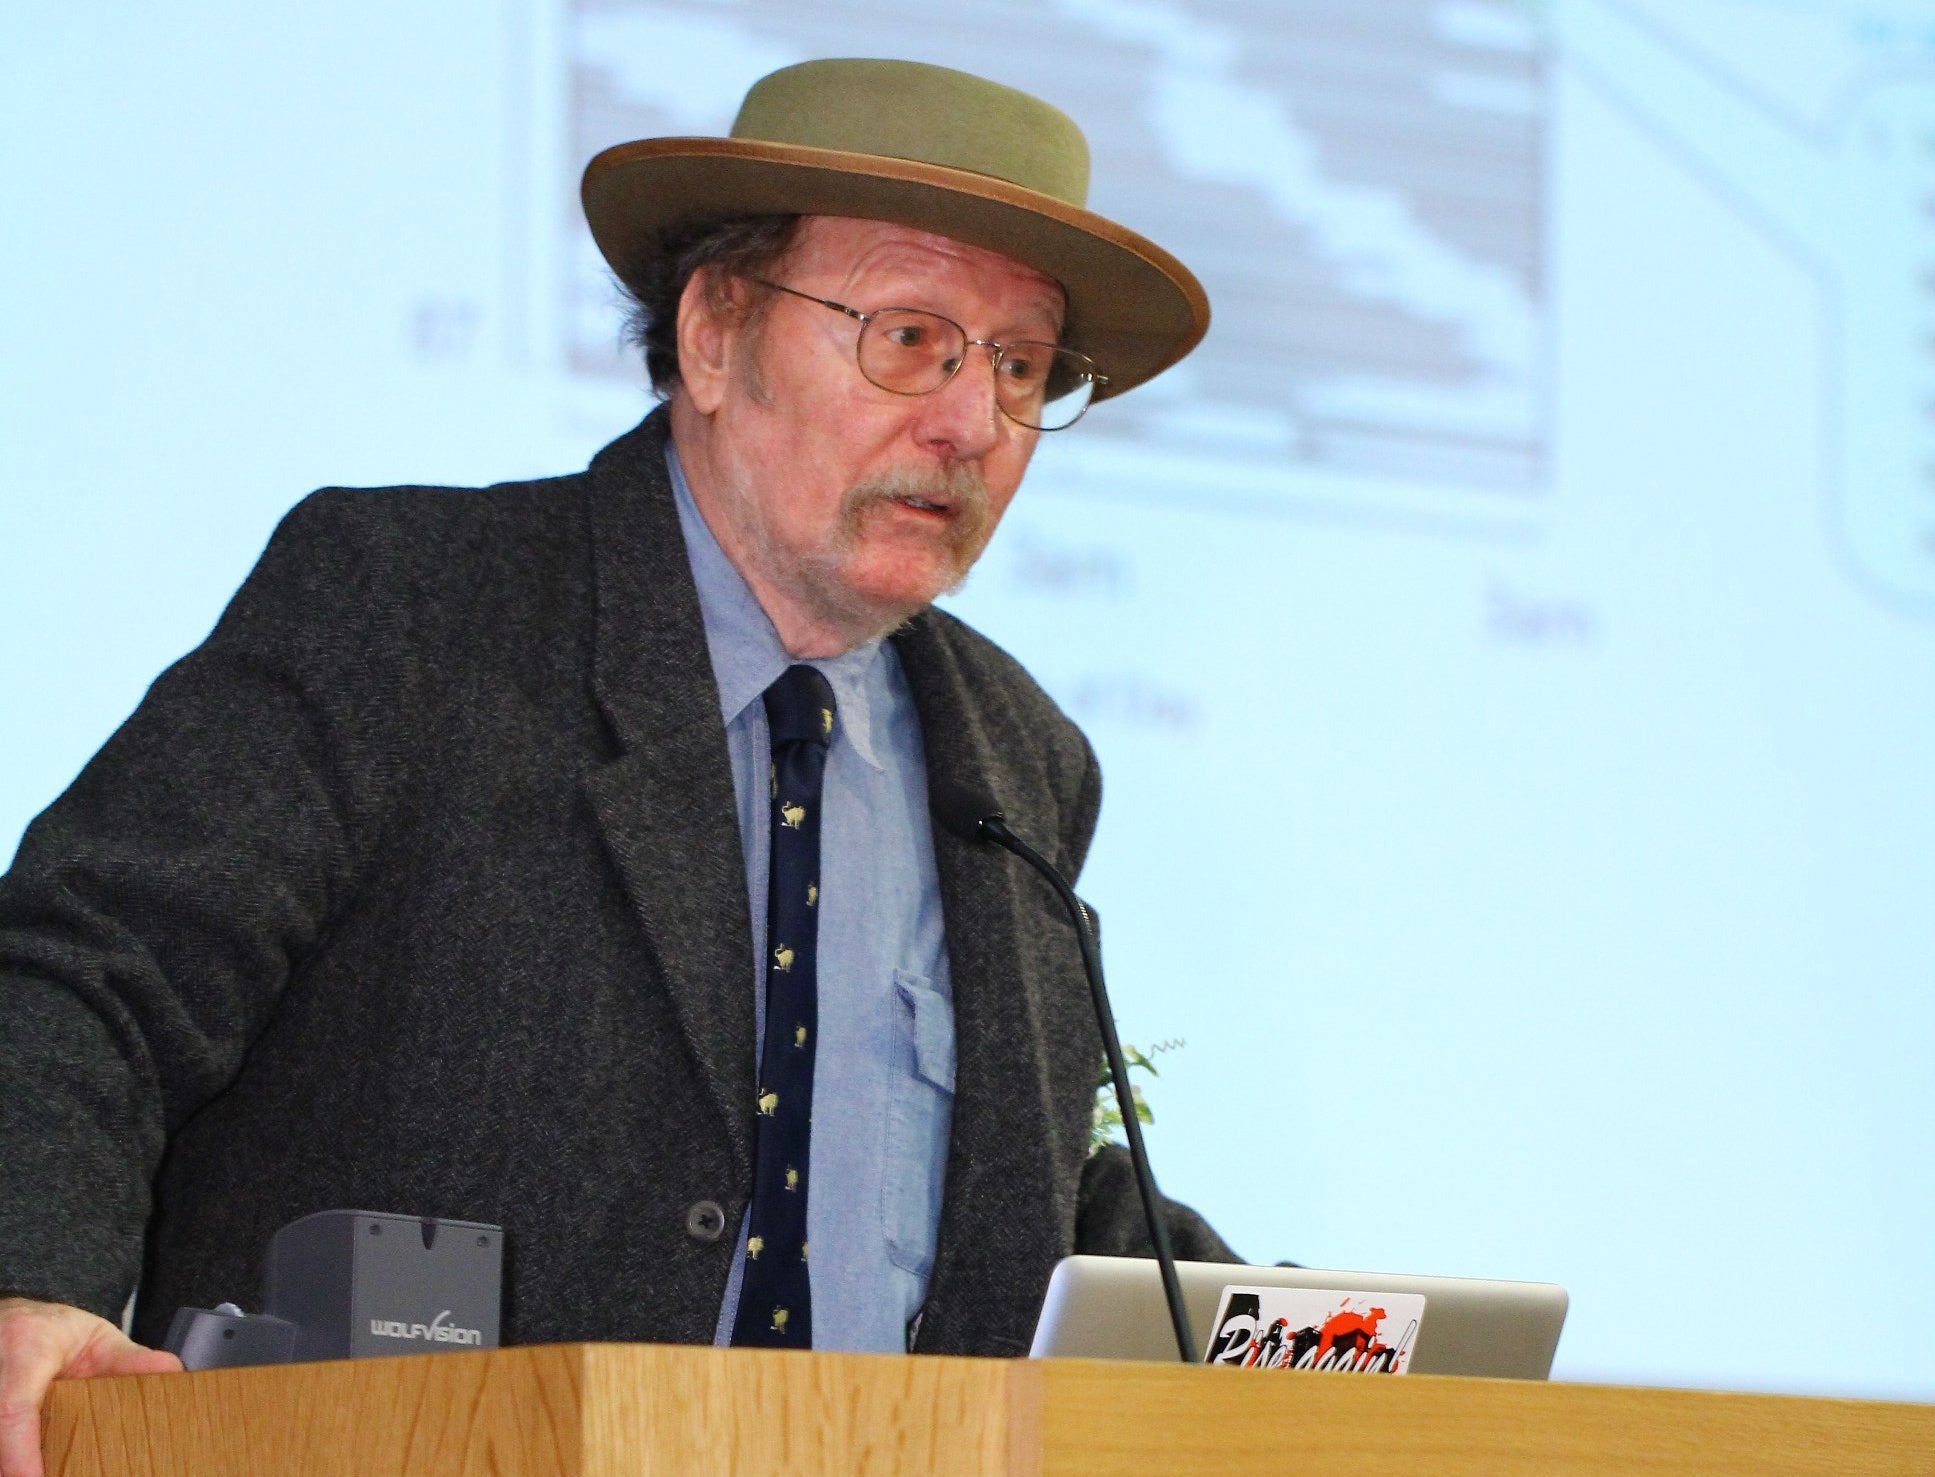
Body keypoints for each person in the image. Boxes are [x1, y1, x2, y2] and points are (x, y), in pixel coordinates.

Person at [0, 57, 1231, 1477]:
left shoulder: (1023, 762)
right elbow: (80, 979)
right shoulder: (413, 612)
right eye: (909, 336)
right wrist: (32, 1281)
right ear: (715, 334)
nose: (969, 424)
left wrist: (1313, 1353)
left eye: (1020, 367)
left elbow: (1007, 1206)